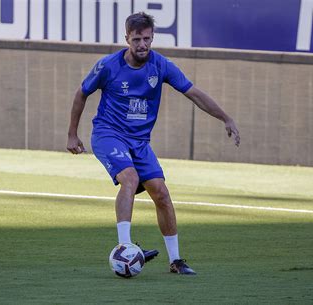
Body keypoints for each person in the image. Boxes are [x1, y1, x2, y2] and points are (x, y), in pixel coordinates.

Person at [67, 12, 240, 275]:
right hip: (108, 133)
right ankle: (125, 247)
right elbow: (82, 94)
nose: (142, 44)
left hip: (139, 142)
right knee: (130, 178)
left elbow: (193, 93)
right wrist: (72, 134)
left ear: (152, 38)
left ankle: (176, 261)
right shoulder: (108, 66)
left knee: (161, 192)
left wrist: (225, 117)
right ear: (127, 38)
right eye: (137, 39)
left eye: (147, 39)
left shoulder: (161, 65)